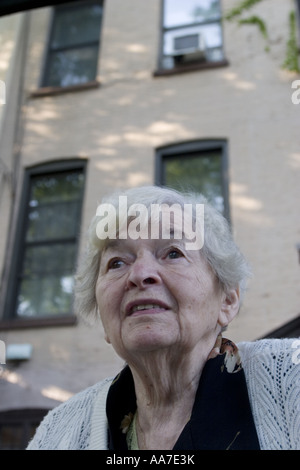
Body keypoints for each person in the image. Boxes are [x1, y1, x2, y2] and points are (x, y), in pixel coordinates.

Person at [27, 185, 300, 450]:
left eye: (173, 253)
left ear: (227, 300)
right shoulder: (57, 432)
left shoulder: (291, 379)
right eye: (117, 262)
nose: (140, 274)